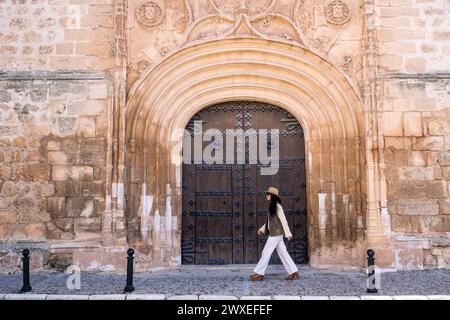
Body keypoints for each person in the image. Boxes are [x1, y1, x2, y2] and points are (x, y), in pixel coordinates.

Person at [249, 187, 299, 281]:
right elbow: (270, 221)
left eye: (267, 194)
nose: (266, 196)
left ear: (272, 195)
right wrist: (262, 229)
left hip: (276, 233)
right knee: (283, 252)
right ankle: (294, 272)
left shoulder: (277, 206)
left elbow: (283, 220)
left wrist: (288, 233)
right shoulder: (272, 205)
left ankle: (259, 273)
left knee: (266, 252)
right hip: (276, 233)